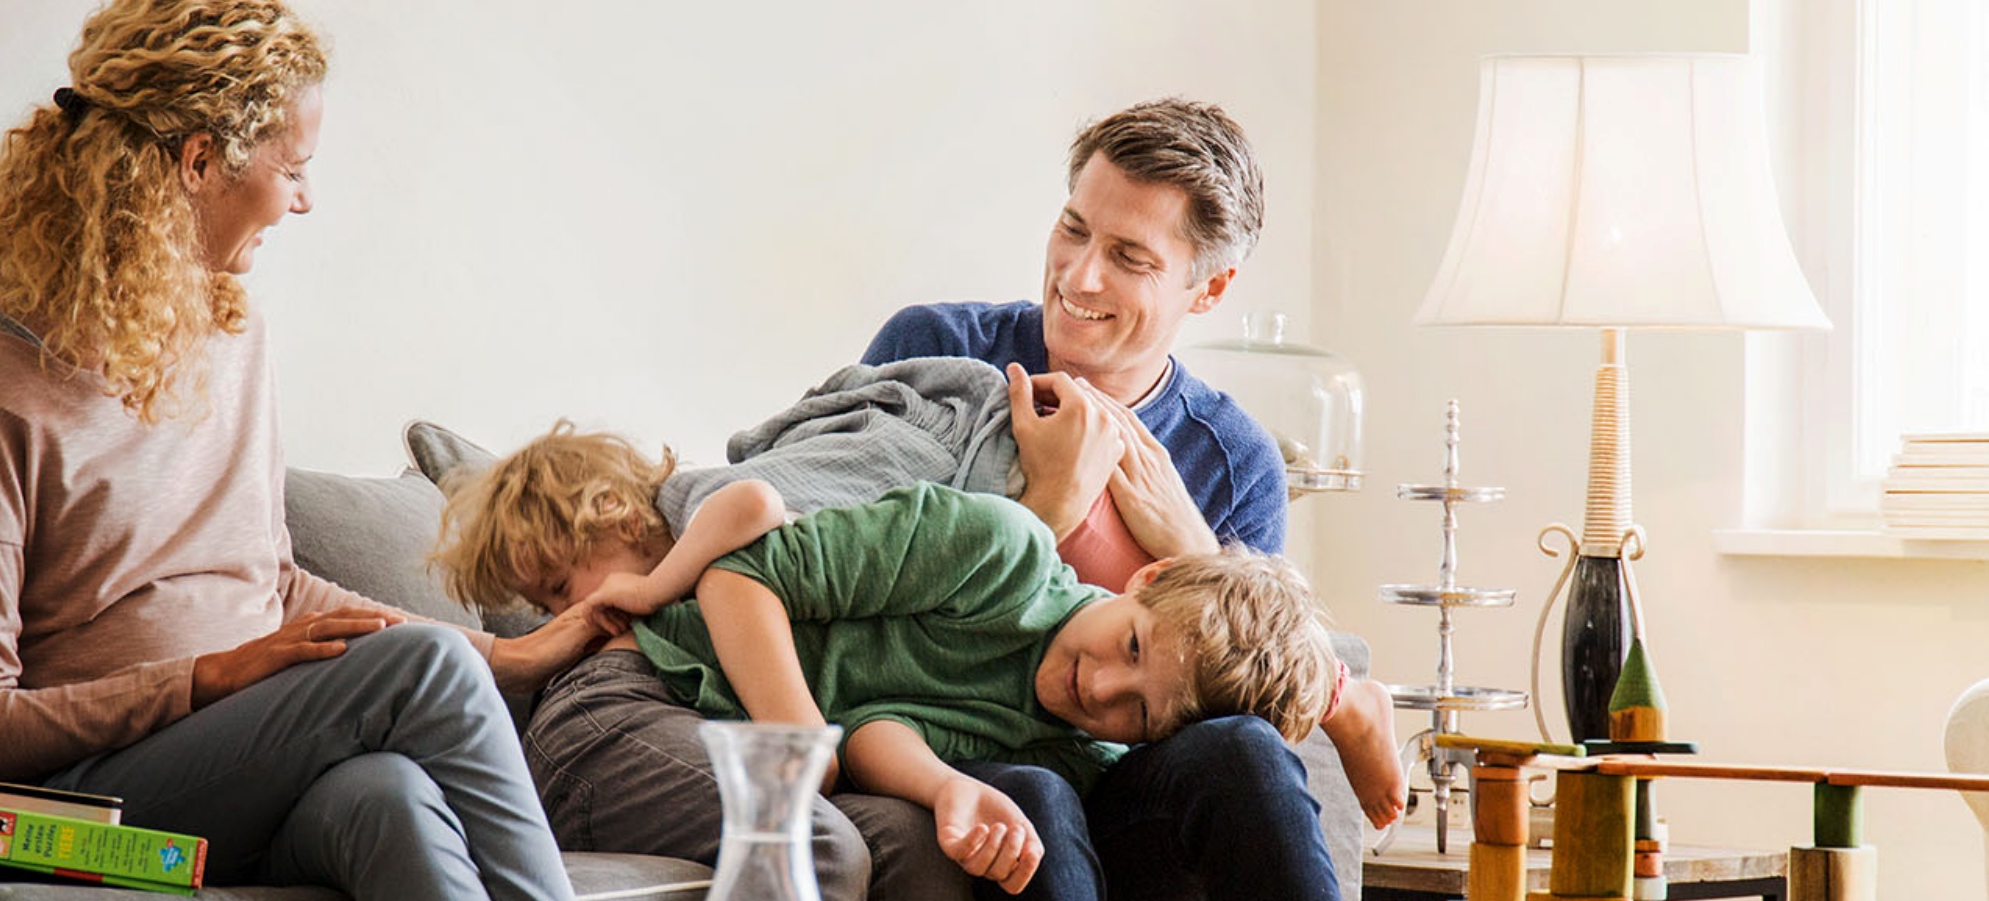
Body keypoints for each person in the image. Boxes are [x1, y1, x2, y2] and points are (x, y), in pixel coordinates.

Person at [0, 3, 604, 898]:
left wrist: (493, 652)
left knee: (388, 797)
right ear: (199, 162)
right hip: (91, 798)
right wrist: (203, 678)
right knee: (427, 671)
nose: (304, 199)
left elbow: (268, 581)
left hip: (249, 765)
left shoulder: (233, 337)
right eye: (294, 170)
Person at [431, 425, 1397, 901]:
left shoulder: (1079, 744)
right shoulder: (999, 544)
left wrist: (937, 784)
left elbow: (886, 730)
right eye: (1129, 649)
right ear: (1139, 580)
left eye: (1139, 713)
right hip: (677, 693)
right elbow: (740, 554)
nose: (1101, 689)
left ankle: (1348, 699)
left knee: (1035, 793)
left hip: (769, 719)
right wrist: (803, 737)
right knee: (897, 827)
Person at [859, 98, 1399, 900]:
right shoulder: (938, 351)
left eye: (1129, 256)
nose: (1079, 277)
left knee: (1246, 749)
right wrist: (1050, 506)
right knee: (1031, 794)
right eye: (1073, 229)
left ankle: (1339, 691)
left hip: (1120, 775)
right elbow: (846, 595)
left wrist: (1193, 552)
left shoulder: (1233, 460)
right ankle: (1343, 696)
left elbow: (1239, 692)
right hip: (950, 737)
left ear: (1208, 287)